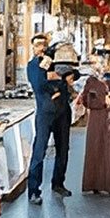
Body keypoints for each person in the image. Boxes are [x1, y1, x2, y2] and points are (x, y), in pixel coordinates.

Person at [26, 35, 74, 204]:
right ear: (33, 48)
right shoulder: (33, 65)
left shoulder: (56, 62)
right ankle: (34, 191)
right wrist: (59, 83)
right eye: (37, 45)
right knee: (39, 151)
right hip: (45, 114)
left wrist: (58, 81)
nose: (41, 47)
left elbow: (72, 74)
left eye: (44, 44)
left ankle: (58, 183)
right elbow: (39, 84)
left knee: (63, 149)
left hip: (63, 112)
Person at [78, 57, 110, 197]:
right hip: (97, 120)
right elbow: (86, 100)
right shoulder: (91, 81)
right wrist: (102, 101)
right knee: (96, 148)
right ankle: (95, 183)